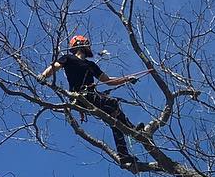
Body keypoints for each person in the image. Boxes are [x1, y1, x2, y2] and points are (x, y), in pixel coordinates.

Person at [39, 35, 144, 167]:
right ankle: (132, 130)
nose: (89, 46)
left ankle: (123, 154)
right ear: (79, 44)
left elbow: (108, 80)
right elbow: (55, 66)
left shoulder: (91, 65)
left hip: (91, 96)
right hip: (81, 97)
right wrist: (43, 75)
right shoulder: (68, 58)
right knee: (112, 104)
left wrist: (127, 79)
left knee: (114, 117)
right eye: (86, 43)